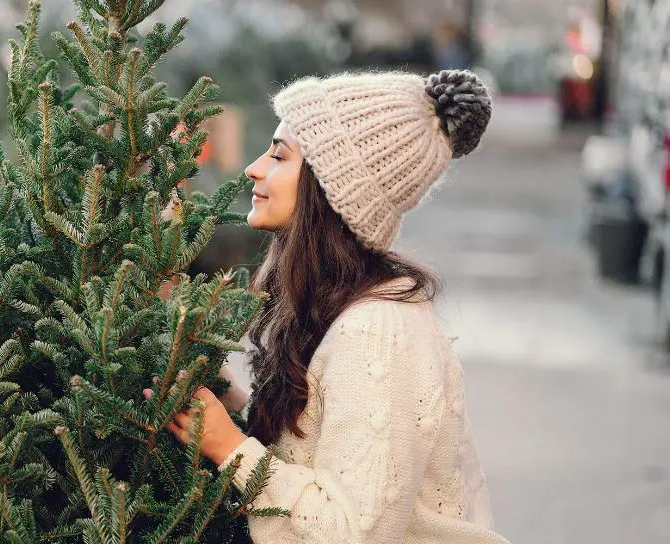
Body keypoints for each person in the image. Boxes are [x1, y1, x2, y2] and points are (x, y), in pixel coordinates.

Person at [144, 70, 510, 543]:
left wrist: (230, 448)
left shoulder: (377, 332)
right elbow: (314, 445)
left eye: (279, 156)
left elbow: (355, 531)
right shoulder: (333, 305)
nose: (256, 168)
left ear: (330, 188)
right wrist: (218, 390)